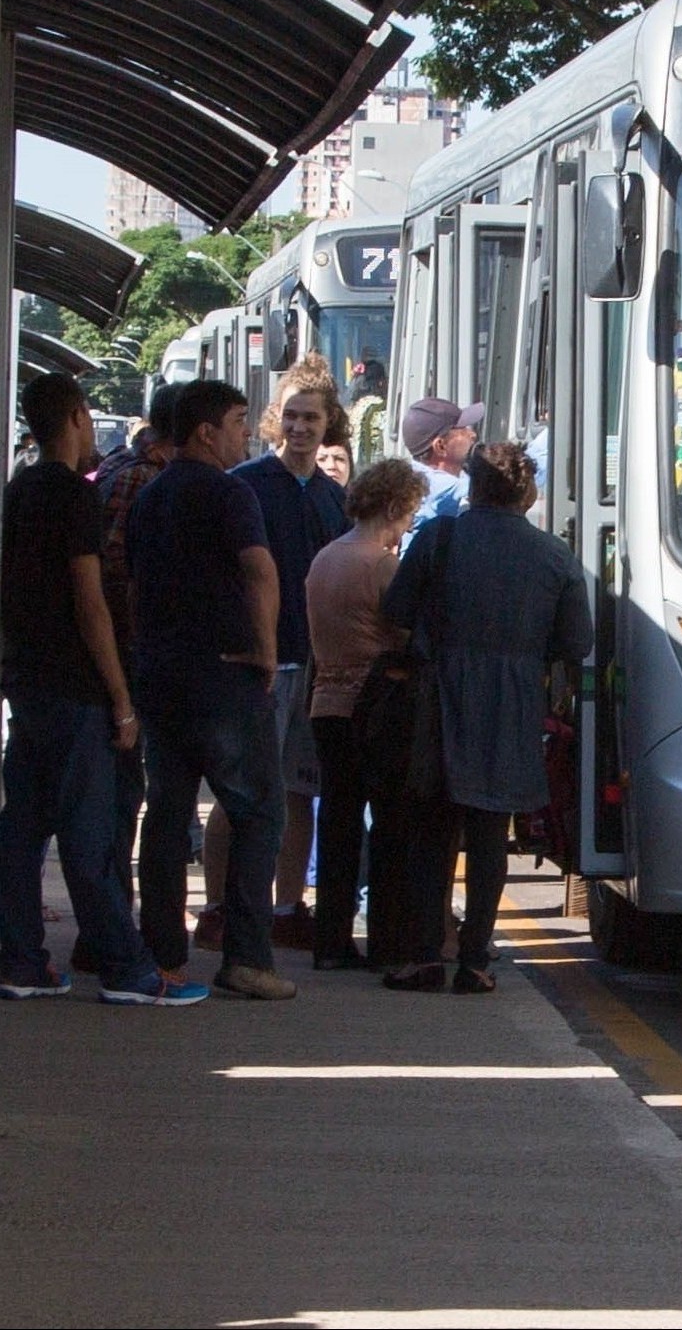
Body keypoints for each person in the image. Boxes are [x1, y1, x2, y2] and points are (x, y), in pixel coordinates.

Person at [0, 373, 208, 1006]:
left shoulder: (16, 492)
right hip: (76, 685)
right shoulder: (72, 498)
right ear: (80, 416)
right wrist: (119, 695)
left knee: (24, 826)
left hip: (28, 681)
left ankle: (24, 960)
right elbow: (89, 600)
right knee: (91, 834)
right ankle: (127, 968)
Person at [380, 442, 592, 993]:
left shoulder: (439, 538)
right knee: (491, 833)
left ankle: (427, 956)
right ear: (526, 492)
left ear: (473, 486)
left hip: (440, 697)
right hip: (514, 703)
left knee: (432, 832)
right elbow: (577, 640)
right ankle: (475, 959)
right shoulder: (553, 555)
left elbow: (396, 611)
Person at [127, 379, 296, 1001]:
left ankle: (163, 958)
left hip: (161, 674)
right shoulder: (231, 493)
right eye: (238, 421)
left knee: (168, 816)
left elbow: (136, 586)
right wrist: (267, 652)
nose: (245, 433)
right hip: (224, 677)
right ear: (206, 431)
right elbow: (259, 570)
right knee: (258, 811)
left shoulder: (150, 496)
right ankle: (247, 958)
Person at [230, 386, 349, 948]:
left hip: (317, 665)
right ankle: (223, 908)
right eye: (293, 417)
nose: (300, 428)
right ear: (278, 422)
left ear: (329, 426)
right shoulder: (246, 485)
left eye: (312, 419)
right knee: (245, 788)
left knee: (300, 790)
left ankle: (285, 906)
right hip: (262, 664)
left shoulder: (334, 498)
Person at [306, 458, 426, 969]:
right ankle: (386, 941)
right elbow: (402, 634)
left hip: (325, 704)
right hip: (374, 708)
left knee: (337, 823)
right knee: (389, 825)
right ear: (395, 507)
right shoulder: (381, 565)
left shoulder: (325, 558)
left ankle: (330, 942)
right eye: (409, 511)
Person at [77, 380, 182, 961]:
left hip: (109, 660)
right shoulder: (146, 481)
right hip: (124, 660)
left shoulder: (117, 466)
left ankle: (107, 930)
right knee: (120, 800)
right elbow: (116, 580)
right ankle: (109, 935)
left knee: (114, 799)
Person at [401, 397, 482, 544]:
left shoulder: (412, 473)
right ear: (441, 446)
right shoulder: (434, 485)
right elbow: (502, 486)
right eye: (462, 430)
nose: (472, 434)